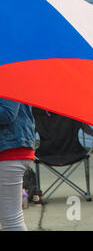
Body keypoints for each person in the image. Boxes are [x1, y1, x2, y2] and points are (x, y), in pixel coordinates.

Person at [0, 98, 35, 231]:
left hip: (9, 149)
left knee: (11, 221)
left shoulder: (7, 77)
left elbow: (8, 113)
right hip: (9, 147)